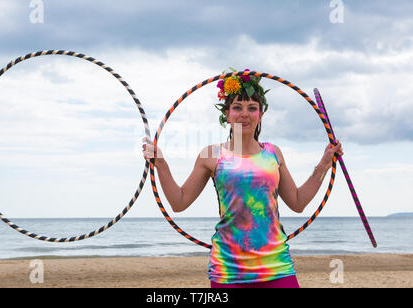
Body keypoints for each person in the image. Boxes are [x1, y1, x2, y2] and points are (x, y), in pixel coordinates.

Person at [142, 70, 343, 288]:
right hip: (229, 270)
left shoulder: (273, 153)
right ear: (227, 115)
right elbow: (179, 202)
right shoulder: (211, 155)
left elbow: (297, 202)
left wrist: (324, 164)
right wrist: (161, 164)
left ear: (261, 114)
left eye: (252, 108)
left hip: (276, 266)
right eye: (237, 107)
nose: (244, 114)